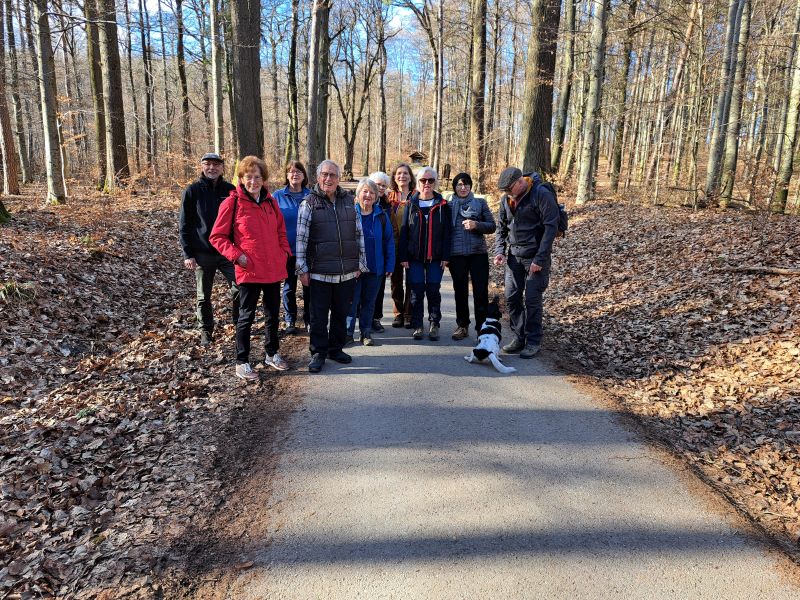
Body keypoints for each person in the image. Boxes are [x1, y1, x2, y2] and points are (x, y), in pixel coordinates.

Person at [210, 156, 292, 380]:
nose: (253, 182)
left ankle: (271, 353)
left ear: (263, 179)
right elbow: (217, 237)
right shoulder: (232, 203)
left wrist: (284, 253)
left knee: (273, 315)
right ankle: (242, 362)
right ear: (241, 178)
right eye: (249, 177)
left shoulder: (271, 202)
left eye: (257, 177)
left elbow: (281, 231)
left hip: (273, 269)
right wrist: (237, 256)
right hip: (249, 270)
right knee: (246, 317)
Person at [295, 159, 368, 373]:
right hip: (319, 272)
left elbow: (359, 234)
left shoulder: (349, 202)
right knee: (318, 316)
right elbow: (301, 239)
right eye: (324, 174)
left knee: (340, 313)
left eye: (332, 175)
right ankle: (318, 352)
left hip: (346, 272)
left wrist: (361, 263)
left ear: (339, 178)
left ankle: (336, 349)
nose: (328, 179)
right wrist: (302, 268)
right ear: (318, 177)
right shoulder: (309, 203)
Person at [493, 167, 559, 359]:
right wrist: (499, 251)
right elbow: (501, 228)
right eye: (505, 190)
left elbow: (551, 228)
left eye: (510, 189)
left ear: (521, 181)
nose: (507, 193)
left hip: (535, 257)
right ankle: (519, 337)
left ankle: (533, 341)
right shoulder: (506, 199)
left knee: (532, 300)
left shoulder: (541, 194)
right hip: (514, 256)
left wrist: (540, 258)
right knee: (511, 297)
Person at [179, 152, 237, 346]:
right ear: (202, 167)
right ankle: (206, 330)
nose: (212, 168)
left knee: (240, 287)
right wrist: (188, 254)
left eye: (216, 164)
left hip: (227, 251)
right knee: (204, 296)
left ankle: (239, 323)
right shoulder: (192, 191)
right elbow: (184, 224)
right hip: (202, 252)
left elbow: (239, 221)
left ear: (222, 168)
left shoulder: (230, 190)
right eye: (208, 164)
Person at [399, 166, 451, 341]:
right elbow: (404, 231)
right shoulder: (410, 204)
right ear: (418, 182)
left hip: (436, 257)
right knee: (416, 292)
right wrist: (403, 256)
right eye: (423, 180)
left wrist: (446, 256)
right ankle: (418, 325)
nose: (427, 183)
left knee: (433, 291)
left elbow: (447, 233)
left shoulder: (443, 205)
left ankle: (434, 323)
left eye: (430, 180)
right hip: (414, 257)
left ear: (435, 182)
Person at [346, 179, 395, 346]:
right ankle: (347, 333)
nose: (368, 195)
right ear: (358, 194)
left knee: (369, 302)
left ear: (376, 197)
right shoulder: (350, 214)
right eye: (365, 191)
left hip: (375, 268)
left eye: (372, 192)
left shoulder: (381, 215)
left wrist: (390, 265)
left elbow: (389, 241)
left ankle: (365, 332)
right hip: (353, 269)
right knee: (351, 302)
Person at [447, 172, 496, 340]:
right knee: (460, 292)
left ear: (470, 186)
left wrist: (476, 225)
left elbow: (492, 226)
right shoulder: (448, 206)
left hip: (478, 254)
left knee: (480, 292)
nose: (463, 187)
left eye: (466, 184)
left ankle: (481, 327)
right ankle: (462, 325)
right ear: (454, 187)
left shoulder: (480, 203)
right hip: (456, 255)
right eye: (459, 184)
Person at [273, 161, 312, 334]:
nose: (295, 174)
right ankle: (290, 321)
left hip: (308, 250)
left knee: (309, 286)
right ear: (287, 175)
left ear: (304, 175)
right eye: (291, 171)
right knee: (289, 287)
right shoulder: (277, 196)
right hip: (286, 250)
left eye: (298, 171)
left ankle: (309, 319)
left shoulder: (311, 195)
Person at [386, 163, 415, 328]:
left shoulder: (417, 196)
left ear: (410, 177)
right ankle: (398, 313)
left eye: (405, 173)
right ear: (394, 177)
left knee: (411, 281)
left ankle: (409, 314)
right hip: (394, 246)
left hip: (412, 246)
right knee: (396, 282)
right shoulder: (389, 197)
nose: (402, 176)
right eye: (399, 173)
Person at [368, 171, 392, 333]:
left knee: (379, 289)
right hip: (364, 253)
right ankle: (362, 319)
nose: (381, 188)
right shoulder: (360, 202)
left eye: (384, 185)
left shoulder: (387, 205)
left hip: (380, 254)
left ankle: (375, 318)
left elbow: (390, 234)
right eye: (378, 185)